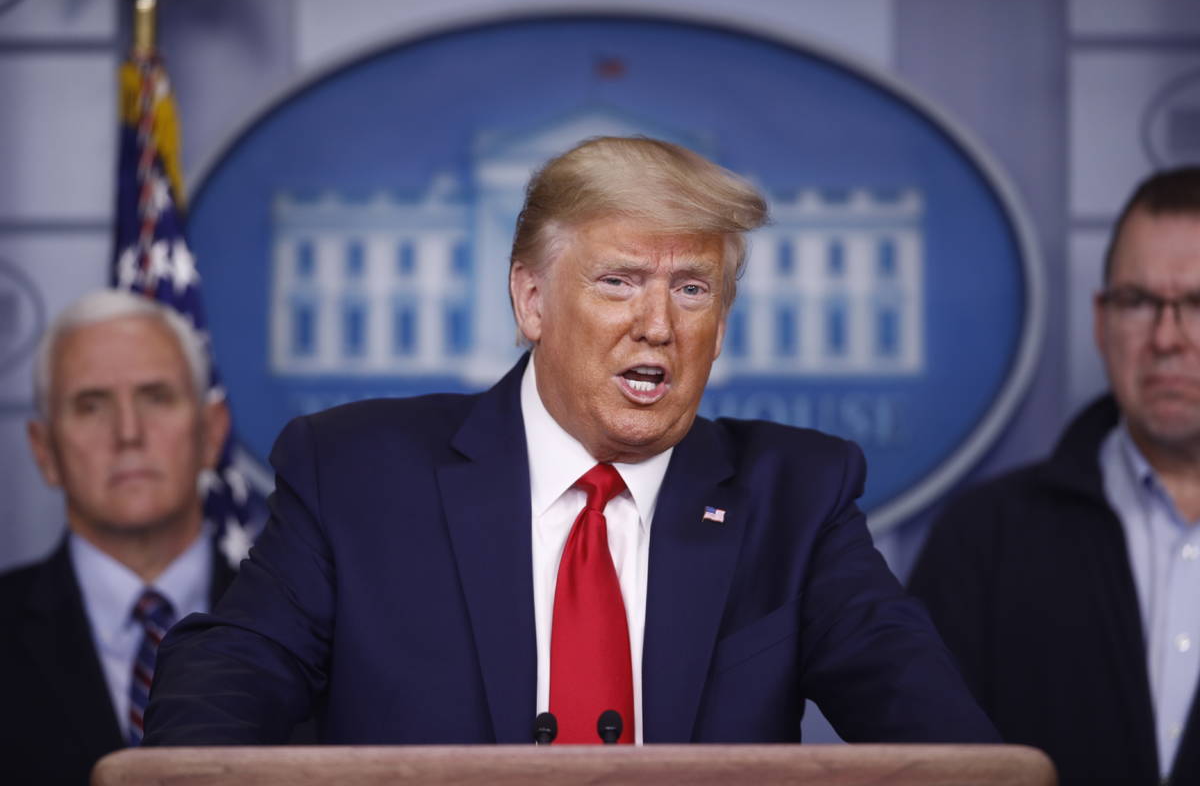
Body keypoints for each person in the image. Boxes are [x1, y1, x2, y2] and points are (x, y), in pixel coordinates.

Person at [145, 136, 996, 746]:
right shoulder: (358, 474)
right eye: (619, 281)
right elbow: (233, 672)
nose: (656, 325)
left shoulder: (795, 495)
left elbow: (934, 730)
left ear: (722, 321)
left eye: (692, 288)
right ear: (532, 302)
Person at [909, 167, 1200, 786]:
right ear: (1101, 321)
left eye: (1199, 304)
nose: (1167, 338)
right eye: (1139, 302)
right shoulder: (984, 541)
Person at [0, 291, 233, 783]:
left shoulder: (317, 638)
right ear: (44, 451)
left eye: (156, 397)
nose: (128, 432)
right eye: (91, 406)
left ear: (212, 433)